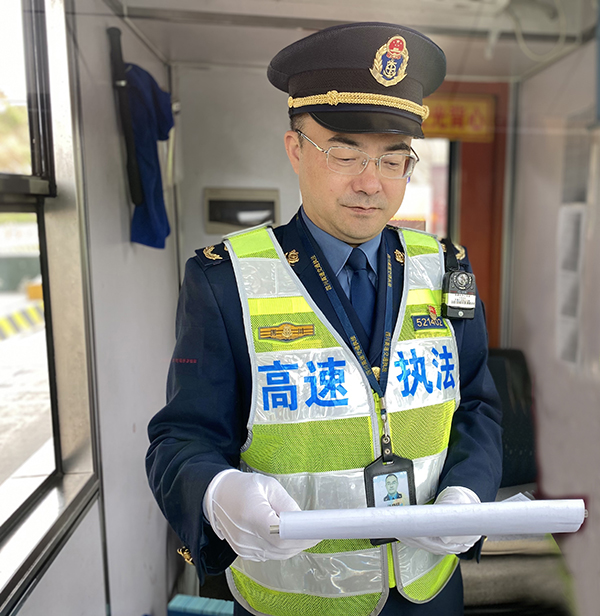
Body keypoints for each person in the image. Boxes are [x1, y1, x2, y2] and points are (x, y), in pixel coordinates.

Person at [146, 22, 503, 616]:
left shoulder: (443, 268)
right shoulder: (225, 278)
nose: (372, 183)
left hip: (427, 591)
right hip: (292, 598)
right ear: (295, 149)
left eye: (395, 159)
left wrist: (468, 492)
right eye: (346, 153)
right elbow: (182, 439)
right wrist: (218, 492)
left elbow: (477, 406)